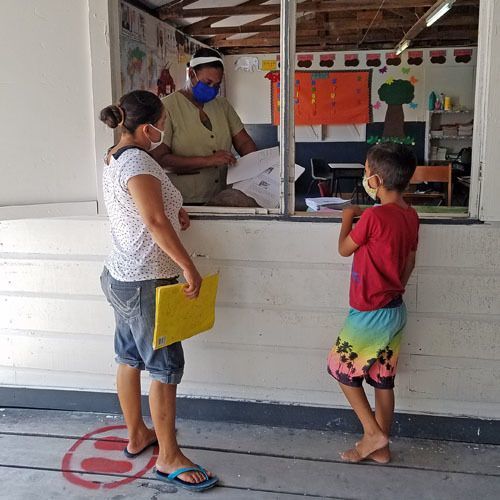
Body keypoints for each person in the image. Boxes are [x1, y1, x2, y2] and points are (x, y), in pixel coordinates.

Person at [99, 90, 218, 492]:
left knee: (129, 357)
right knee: (165, 369)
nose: (164, 129)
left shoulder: (116, 154)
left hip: (120, 274)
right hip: (147, 280)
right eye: (163, 122)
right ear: (147, 126)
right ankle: (168, 457)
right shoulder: (137, 162)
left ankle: (138, 434)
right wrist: (188, 266)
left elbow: (144, 208)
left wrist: (174, 206)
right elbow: (153, 221)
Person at [327, 143, 419, 464]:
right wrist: (398, 287)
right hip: (395, 311)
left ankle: (373, 434)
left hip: (369, 314)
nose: (365, 176)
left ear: (376, 181)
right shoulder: (411, 215)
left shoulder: (372, 217)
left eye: (366, 171)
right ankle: (382, 448)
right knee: (382, 379)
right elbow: (410, 260)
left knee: (340, 370)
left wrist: (347, 218)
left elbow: (343, 249)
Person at [150, 47, 257, 205]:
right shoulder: (168, 107)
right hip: (184, 201)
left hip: (221, 196)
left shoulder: (222, 105)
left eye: (217, 84)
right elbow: (160, 159)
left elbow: (244, 142)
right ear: (191, 74)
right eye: (208, 83)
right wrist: (208, 161)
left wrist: (257, 165)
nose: (212, 88)